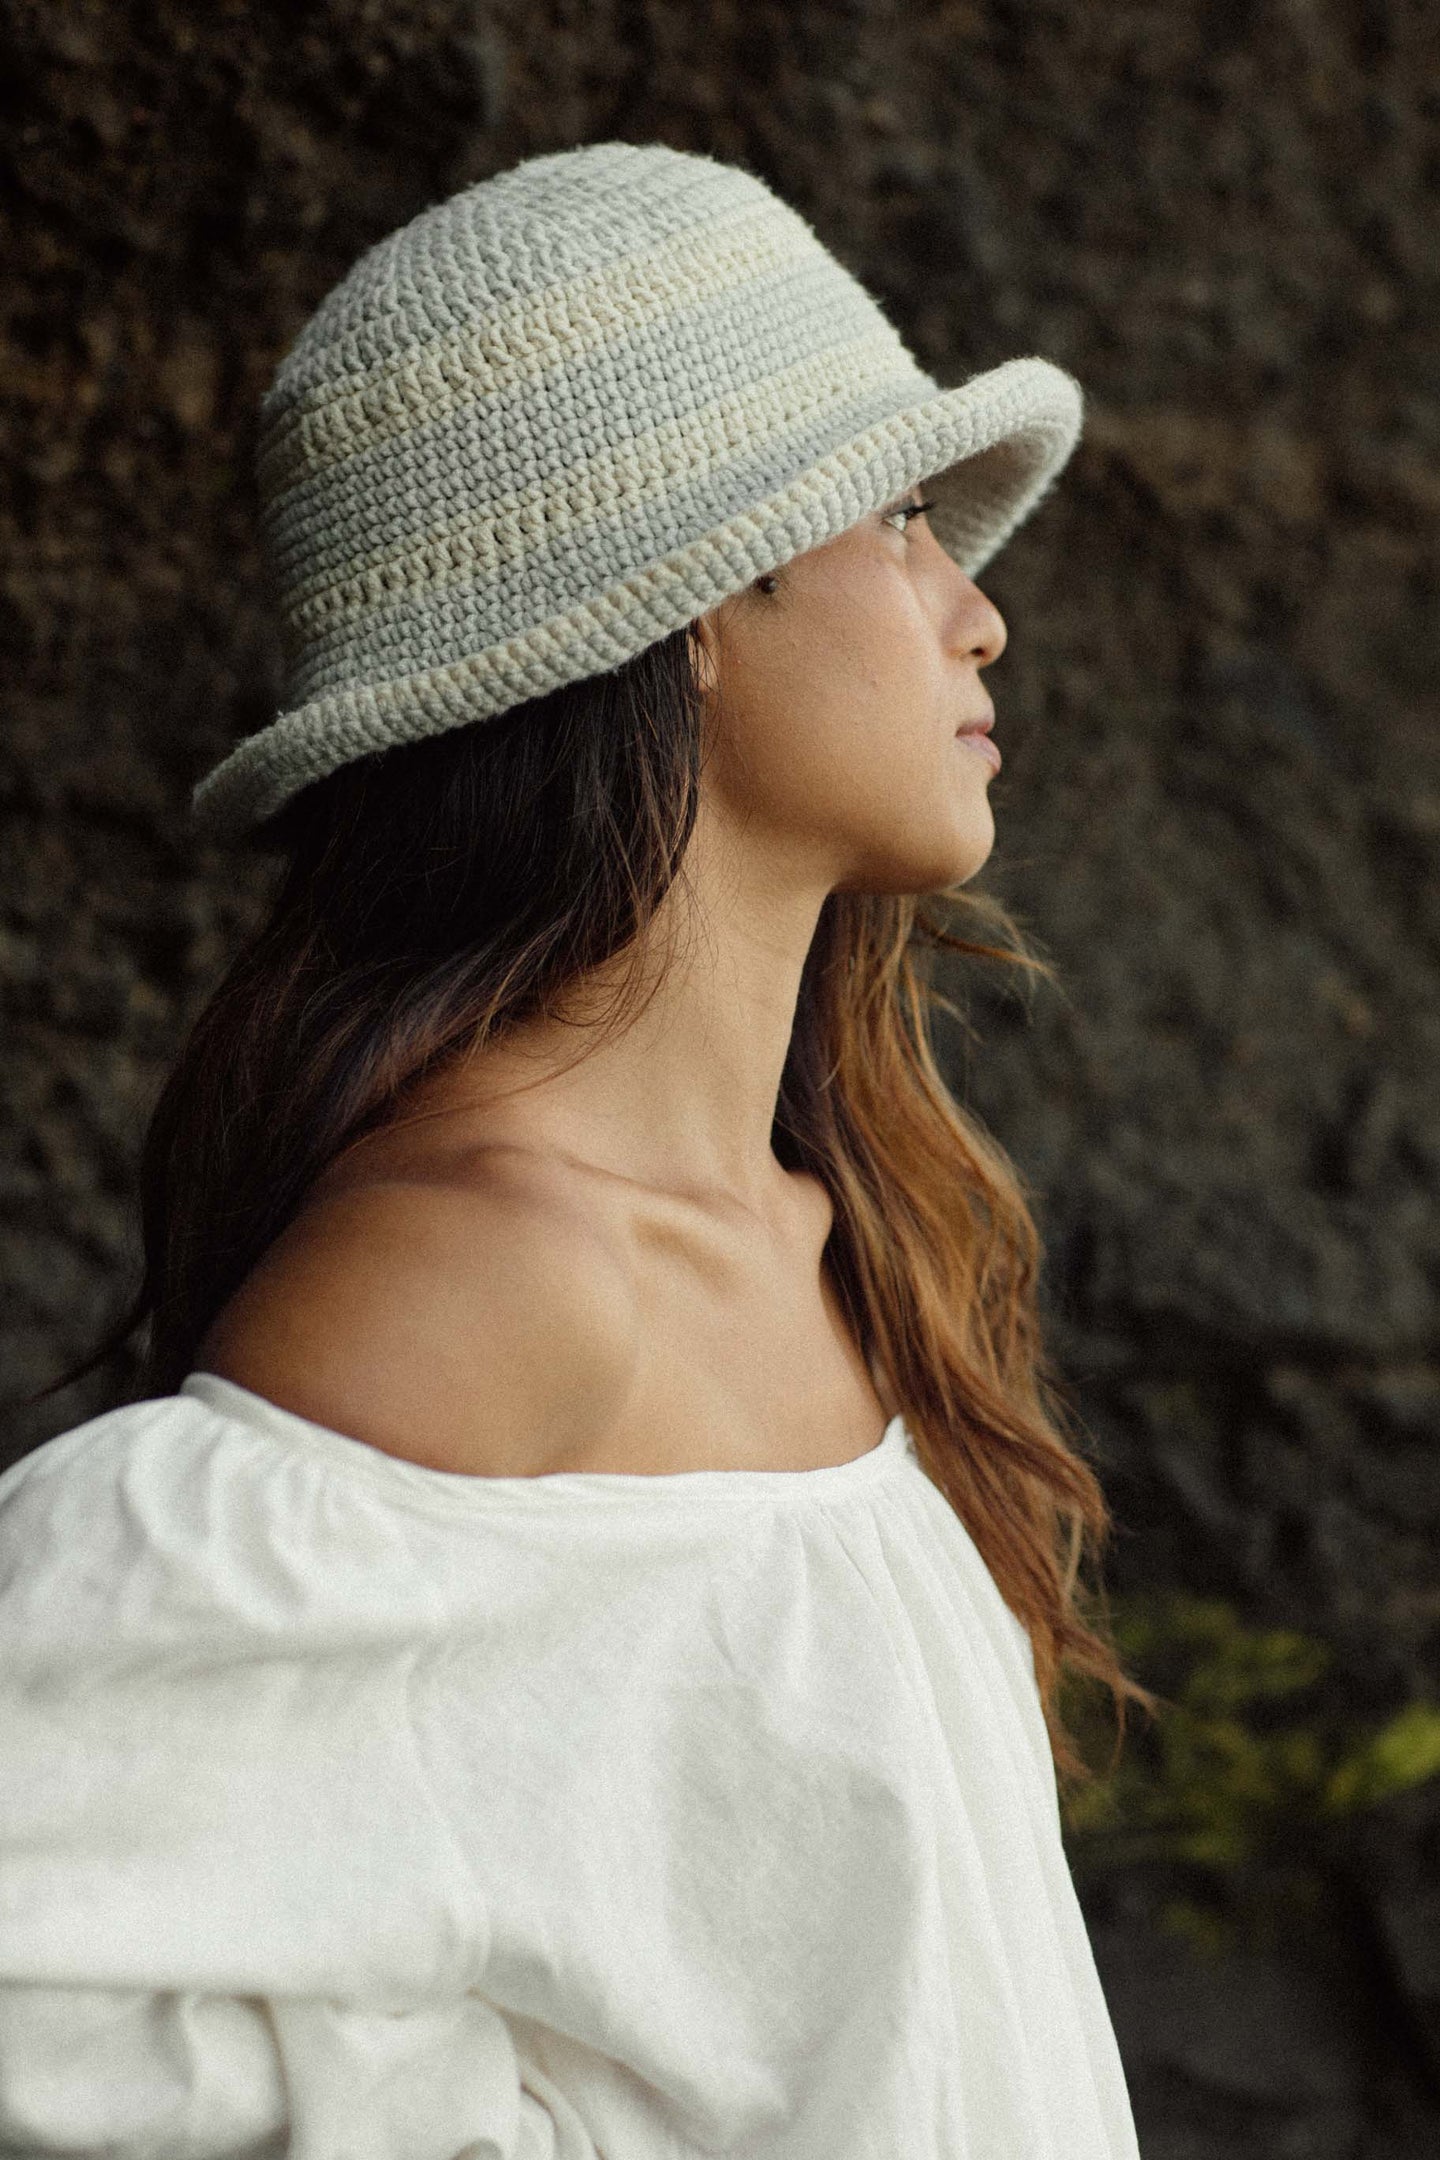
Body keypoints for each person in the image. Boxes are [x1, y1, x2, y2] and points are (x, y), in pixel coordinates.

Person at [0, 140, 1154, 2157]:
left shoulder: (840, 1228)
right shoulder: (485, 1279)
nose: (980, 621)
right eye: (896, 519)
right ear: (688, 605)